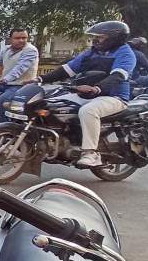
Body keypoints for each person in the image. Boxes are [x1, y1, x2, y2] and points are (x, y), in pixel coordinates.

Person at [40, 21, 136, 168]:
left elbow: (117, 76)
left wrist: (97, 88)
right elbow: (67, 70)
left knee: (88, 111)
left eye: (101, 37)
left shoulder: (125, 53)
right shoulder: (92, 52)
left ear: (114, 38)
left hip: (113, 97)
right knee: (50, 104)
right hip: (87, 95)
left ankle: (91, 153)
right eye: (96, 37)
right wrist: (40, 79)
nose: (96, 40)